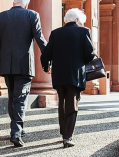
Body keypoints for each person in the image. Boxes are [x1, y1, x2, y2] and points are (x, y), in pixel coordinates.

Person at [0, 0, 47, 147]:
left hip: (7, 66)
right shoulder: (32, 15)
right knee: (21, 98)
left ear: (14, 3)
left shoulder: (1, 17)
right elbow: (39, 38)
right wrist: (49, 57)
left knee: (13, 97)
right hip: (24, 66)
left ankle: (18, 129)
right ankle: (16, 133)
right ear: (26, 4)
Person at [41, 8, 95, 148]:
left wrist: (46, 67)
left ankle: (63, 131)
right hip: (75, 74)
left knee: (62, 103)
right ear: (77, 20)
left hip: (59, 74)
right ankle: (67, 136)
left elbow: (46, 54)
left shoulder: (55, 33)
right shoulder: (84, 31)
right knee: (72, 105)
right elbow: (90, 54)